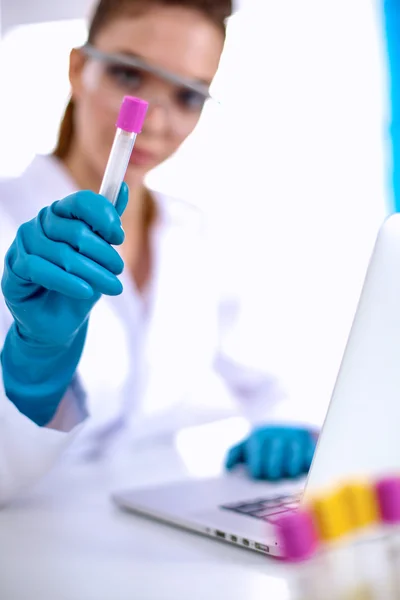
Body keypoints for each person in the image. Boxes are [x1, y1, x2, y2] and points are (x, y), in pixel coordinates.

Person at [0, 0, 317, 505]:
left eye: (189, 95)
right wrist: (34, 366)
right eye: (129, 74)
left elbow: (267, 382)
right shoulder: (7, 219)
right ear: (79, 69)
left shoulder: (196, 235)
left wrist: (285, 424)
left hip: (166, 527)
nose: (154, 122)